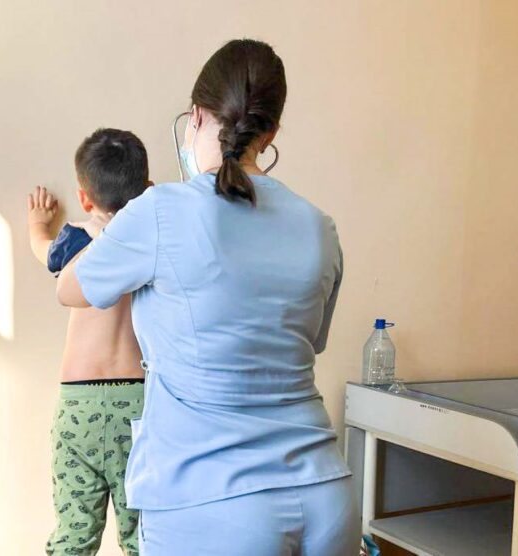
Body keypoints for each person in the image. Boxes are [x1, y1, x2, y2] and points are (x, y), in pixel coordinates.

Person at [55, 40, 360, 555]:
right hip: (326, 494)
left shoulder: (161, 210)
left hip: (212, 502)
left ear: (195, 117)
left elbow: (70, 288)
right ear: (271, 132)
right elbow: (309, 344)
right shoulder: (319, 227)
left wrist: (115, 224)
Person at [27, 128, 153, 556]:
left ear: (84, 198)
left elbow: (44, 251)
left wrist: (37, 224)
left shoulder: (78, 238)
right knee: (141, 533)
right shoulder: (148, 245)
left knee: (74, 531)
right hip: (138, 404)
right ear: (147, 189)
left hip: (78, 403)